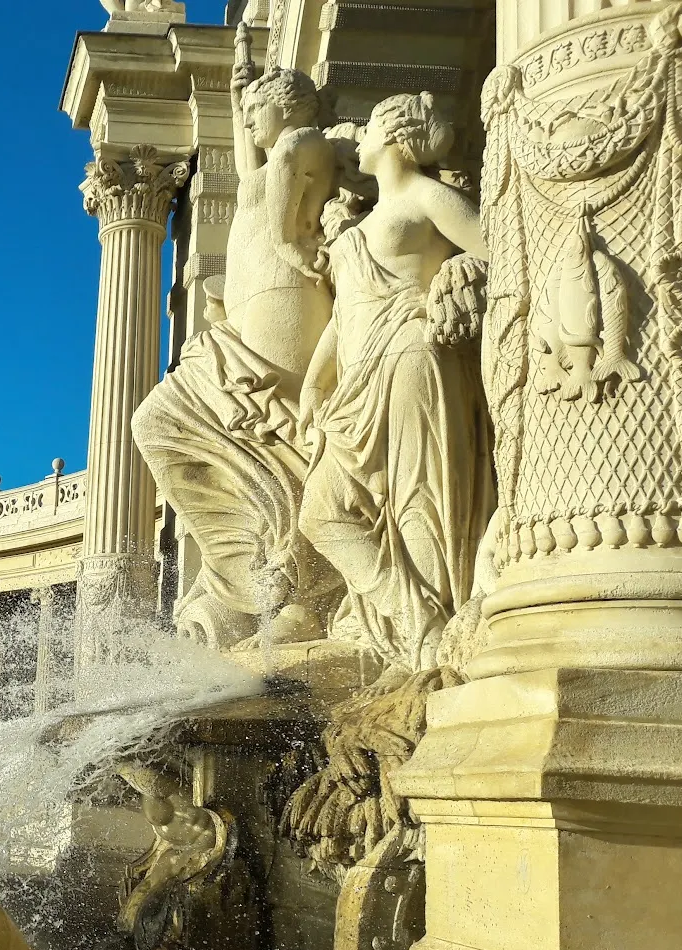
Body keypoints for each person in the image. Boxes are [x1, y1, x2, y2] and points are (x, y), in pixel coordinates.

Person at [132, 36, 342, 648]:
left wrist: (303, 258)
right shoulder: (276, 155)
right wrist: (235, 94)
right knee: (158, 422)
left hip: (284, 303)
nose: (248, 123)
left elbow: (282, 227)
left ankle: (296, 582)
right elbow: (255, 177)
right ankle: (251, 574)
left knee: (272, 435)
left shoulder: (304, 144)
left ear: (288, 105)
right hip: (241, 323)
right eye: (244, 115)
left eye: (256, 111)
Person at [297, 92, 494, 670]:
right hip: (356, 384)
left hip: (411, 355)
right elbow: (344, 313)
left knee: (419, 501)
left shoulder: (427, 197)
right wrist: (313, 384)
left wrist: (459, 270)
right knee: (319, 513)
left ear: (394, 135)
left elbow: (505, 253)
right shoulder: (362, 226)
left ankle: (428, 647)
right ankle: (417, 622)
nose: (359, 138)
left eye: (368, 128)